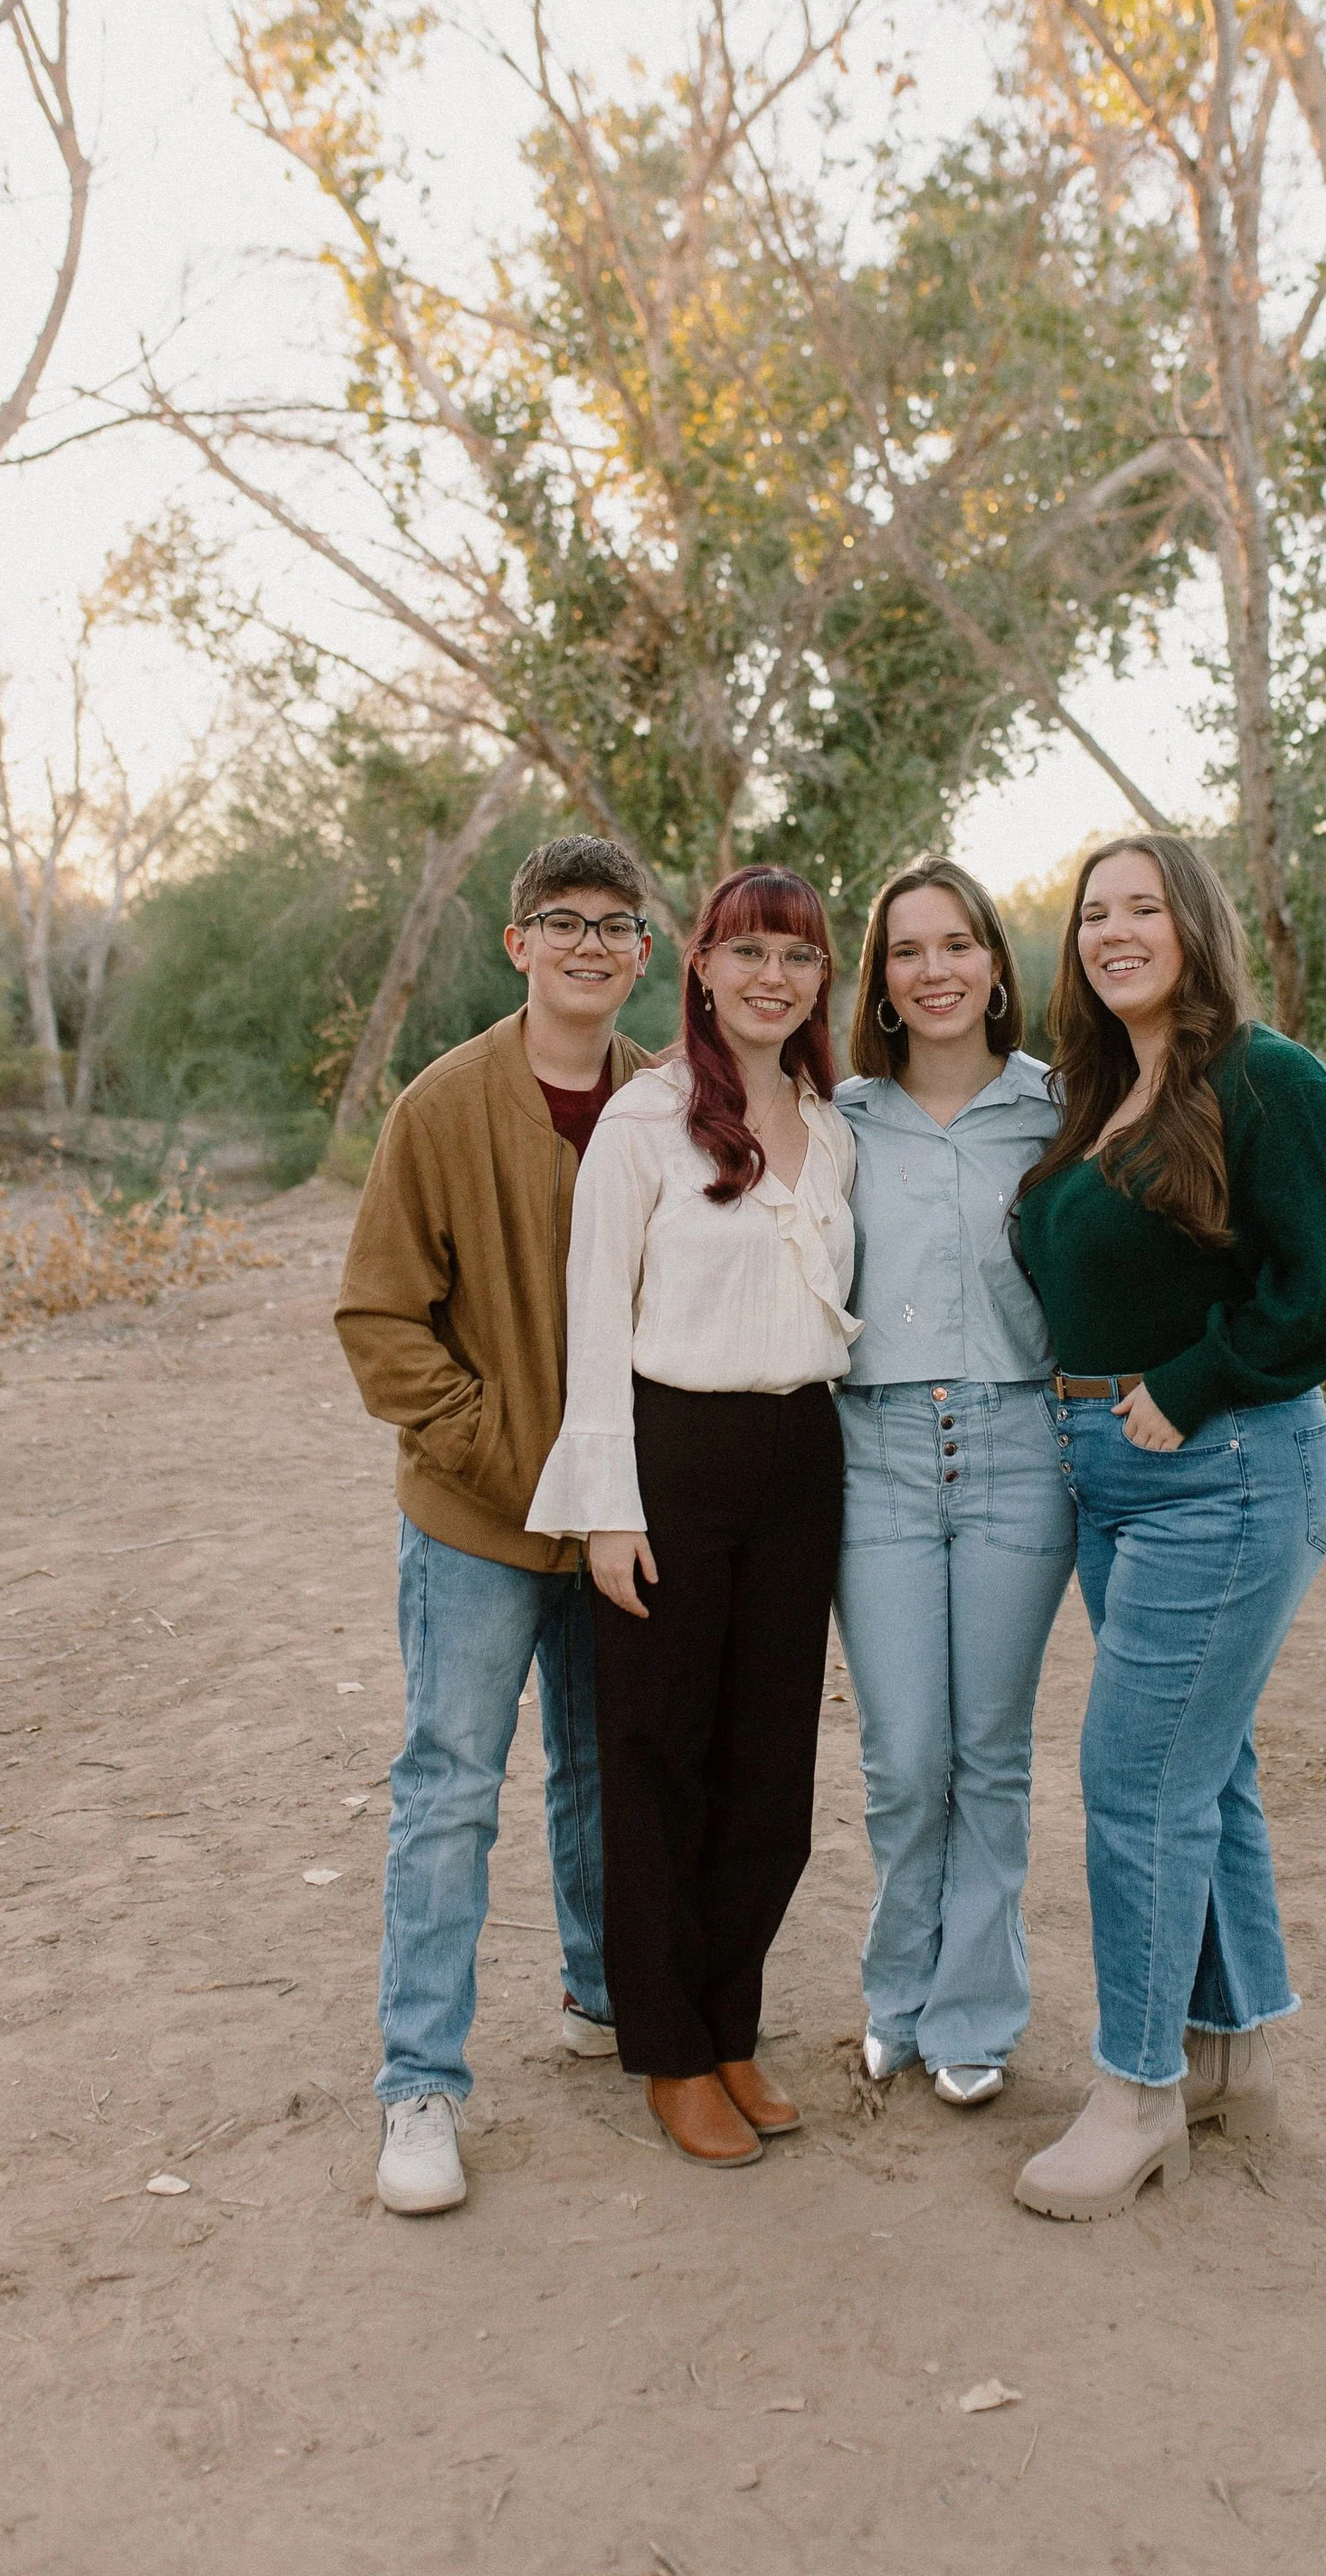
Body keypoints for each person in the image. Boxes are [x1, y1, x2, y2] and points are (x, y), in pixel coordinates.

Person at [1009, 835, 1326, 2222]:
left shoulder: (1266, 1078)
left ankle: (1135, 2092)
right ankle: (1229, 2057)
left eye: (1142, 909)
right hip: (1109, 1476)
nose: (1114, 933)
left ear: (1196, 925)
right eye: (1094, 914)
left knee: (1138, 1784)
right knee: (1202, 1772)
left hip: (1225, 1470)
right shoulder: (1102, 1091)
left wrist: (1198, 1380)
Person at [335, 833, 658, 2216]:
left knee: (603, 1770)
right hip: (478, 1520)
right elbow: (380, 1322)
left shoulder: (666, 1103)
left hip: (623, 1527)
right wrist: (510, 1460)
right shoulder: (443, 1106)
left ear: (644, 952)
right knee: (451, 1786)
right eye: (561, 920)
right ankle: (421, 2083)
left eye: (616, 924)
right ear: (518, 942)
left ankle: (600, 1997)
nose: (590, 944)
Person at [528, 865, 857, 2170]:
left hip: (801, 1459)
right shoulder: (644, 1123)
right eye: (749, 952)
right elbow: (593, 1318)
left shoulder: (833, 1127)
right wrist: (607, 1507)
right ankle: (667, 2051)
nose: (773, 976)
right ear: (704, 969)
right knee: (658, 1760)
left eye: (799, 955)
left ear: (821, 980)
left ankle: (732, 2027)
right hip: (675, 1450)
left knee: (771, 1771)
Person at [834, 857, 1072, 2109]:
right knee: (901, 1755)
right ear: (882, 978)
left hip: (1020, 1446)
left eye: (957, 945)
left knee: (989, 1750)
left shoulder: (1058, 1108)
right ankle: (896, 1993)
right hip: (870, 1449)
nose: (934, 970)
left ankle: (972, 2013)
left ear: (993, 964)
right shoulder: (839, 1114)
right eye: (908, 950)